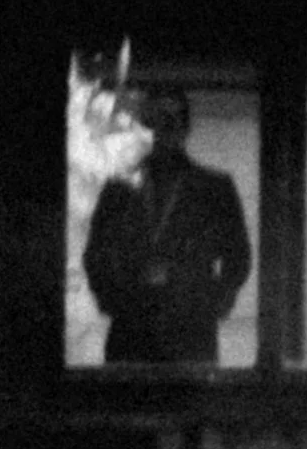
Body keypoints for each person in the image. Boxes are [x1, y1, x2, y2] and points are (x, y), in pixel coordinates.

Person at [81, 85, 252, 365]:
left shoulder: (215, 188)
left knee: (189, 408)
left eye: (171, 120)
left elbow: (239, 257)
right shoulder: (117, 189)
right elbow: (95, 254)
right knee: (129, 407)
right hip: (130, 330)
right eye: (154, 121)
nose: (162, 129)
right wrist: (111, 301)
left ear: (185, 128)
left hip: (191, 333)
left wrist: (214, 304)